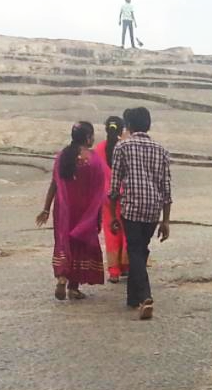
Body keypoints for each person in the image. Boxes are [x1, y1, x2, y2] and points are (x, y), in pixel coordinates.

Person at [108, 106, 173, 320]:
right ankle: (132, 297)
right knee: (140, 250)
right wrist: (166, 220)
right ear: (148, 125)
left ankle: (145, 297)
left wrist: (113, 215)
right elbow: (166, 187)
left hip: (132, 208)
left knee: (135, 250)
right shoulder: (161, 150)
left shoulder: (122, 146)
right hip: (153, 209)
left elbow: (115, 185)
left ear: (129, 125)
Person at [35, 121, 110, 301]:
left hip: (65, 210)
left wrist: (46, 209)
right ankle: (74, 288)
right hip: (85, 211)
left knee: (64, 242)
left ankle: (62, 277)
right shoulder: (93, 159)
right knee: (80, 244)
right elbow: (100, 188)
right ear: (88, 137)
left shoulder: (63, 156)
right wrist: (97, 213)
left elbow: (54, 184)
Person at [100, 115, 128, 282]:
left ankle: (114, 271)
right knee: (127, 231)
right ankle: (126, 265)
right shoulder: (126, 147)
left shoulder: (99, 149)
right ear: (122, 129)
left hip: (106, 197)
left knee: (111, 232)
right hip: (126, 195)